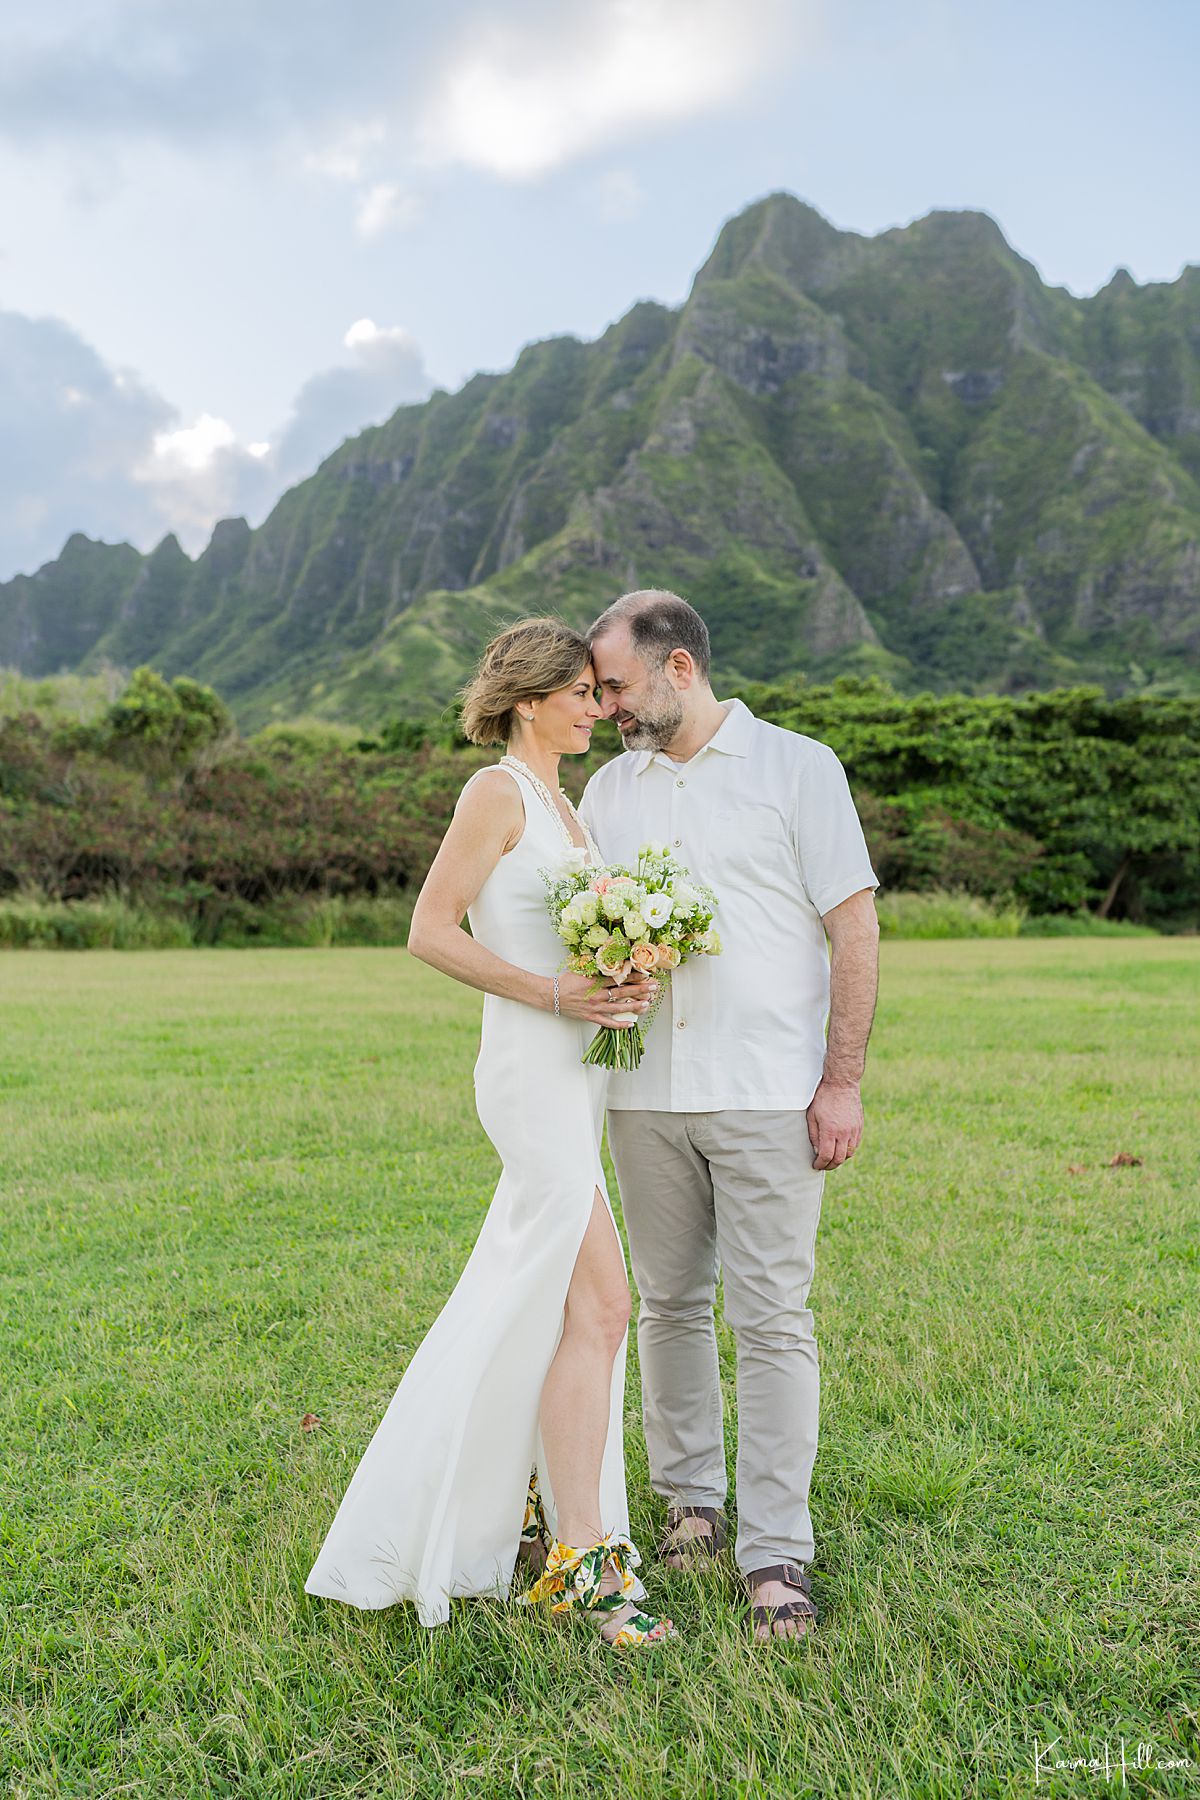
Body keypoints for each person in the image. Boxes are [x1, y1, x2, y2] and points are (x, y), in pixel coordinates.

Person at [305, 617, 676, 1651]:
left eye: (601, 695)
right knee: (604, 1305)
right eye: (582, 695)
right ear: (528, 701)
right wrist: (555, 993)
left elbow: (565, 934)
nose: (599, 709)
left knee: (545, 1305)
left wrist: (620, 977)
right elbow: (430, 929)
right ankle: (587, 1563)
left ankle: (507, 1508)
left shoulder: (567, 803)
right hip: (528, 1076)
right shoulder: (497, 792)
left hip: (577, 1072)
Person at [578, 589, 880, 1644]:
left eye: (614, 684)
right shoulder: (608, 792)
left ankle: (776, 1552)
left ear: (679, 669)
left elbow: (854, 932)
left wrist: (838, 1081)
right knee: (665, 1306)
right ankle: (690, 1505)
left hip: (767, 1093)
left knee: (771, 1319)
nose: (603, 704)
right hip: (643, 1095)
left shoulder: (800, 767)